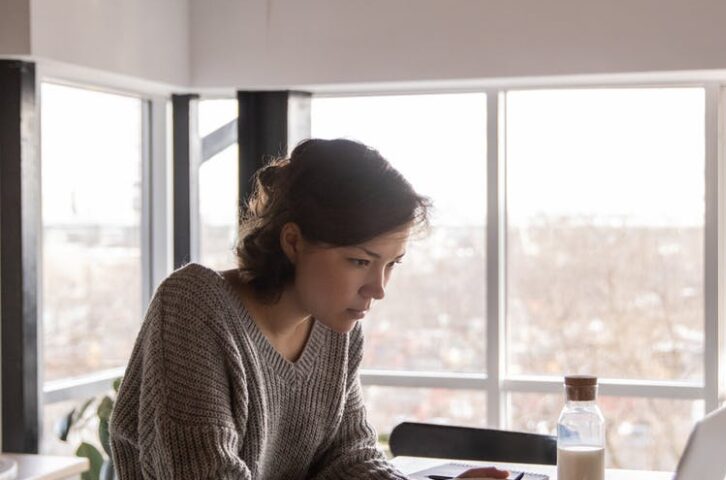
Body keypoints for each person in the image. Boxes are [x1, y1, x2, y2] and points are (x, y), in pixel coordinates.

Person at [110, 138, 510, 479]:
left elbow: (348, 456)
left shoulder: (336, 329)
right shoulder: (194, 306)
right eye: (360, 261)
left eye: (391, 265)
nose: (378, 288)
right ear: (293, 242)